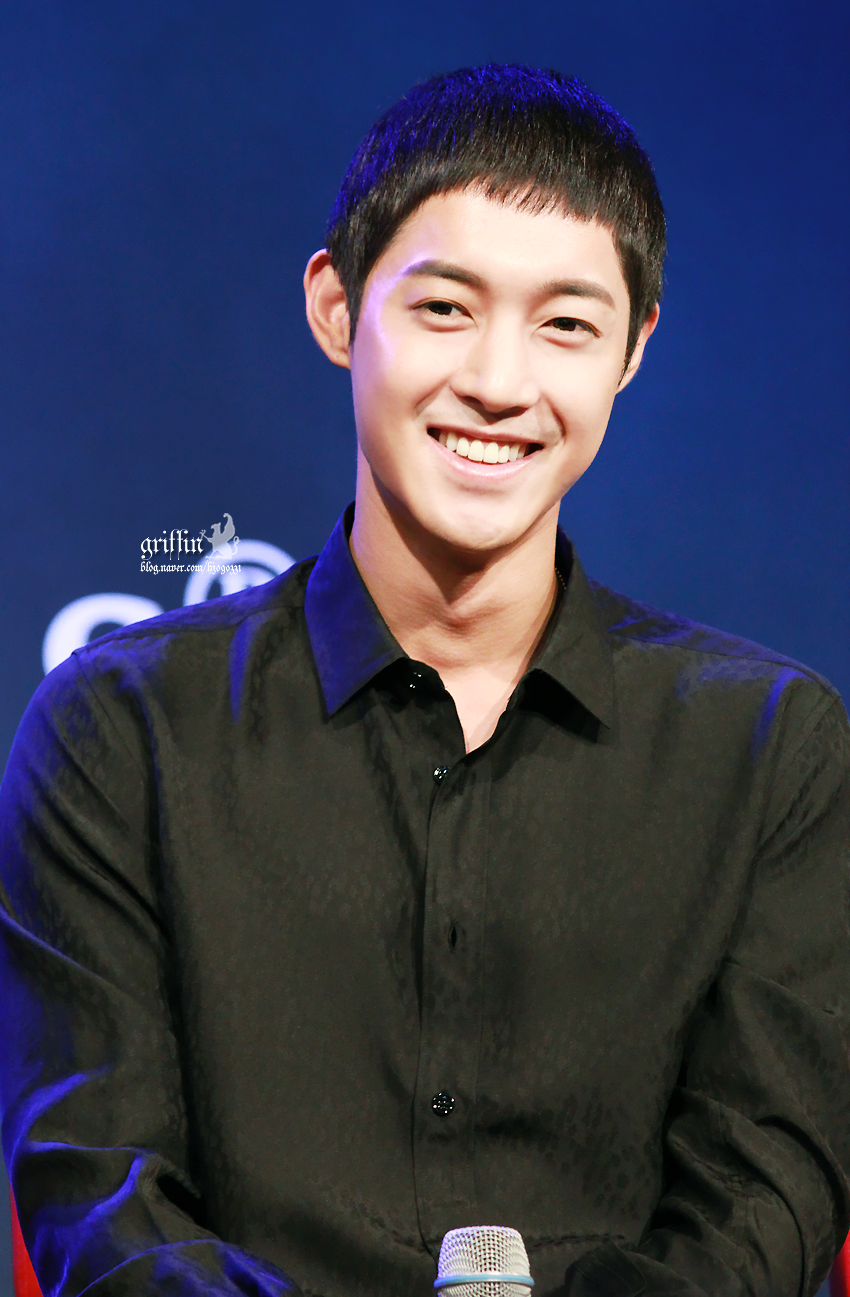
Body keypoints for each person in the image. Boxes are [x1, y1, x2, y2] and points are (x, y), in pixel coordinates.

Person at [1, 64, 848, 1297]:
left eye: (566, 325)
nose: (500, 382)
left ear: (632, 351)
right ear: (337, 309)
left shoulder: (768, 748)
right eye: (446, 307)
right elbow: (99, 1195)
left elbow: (763, 1201)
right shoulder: (119, 732)